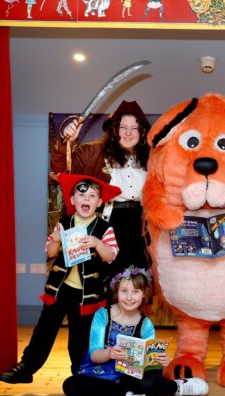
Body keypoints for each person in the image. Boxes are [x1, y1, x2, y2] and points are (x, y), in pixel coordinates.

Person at [0, 174, 122, 384]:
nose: (87, 199)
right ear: (72, 200)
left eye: (92, 196)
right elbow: (51, 253)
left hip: (86, 294)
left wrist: (96, 243)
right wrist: (55, 240)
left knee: (81, 337)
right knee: (44, 329)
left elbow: (111, 256)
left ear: (99, 203)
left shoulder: (104, 228)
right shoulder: (63, 224)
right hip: (59, 288)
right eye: (82, 195)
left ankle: (81, 373)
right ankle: (27, 367)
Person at [62, 267, 209, 396]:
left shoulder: (146, 325)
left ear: (143, 293)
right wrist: (109, 353)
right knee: (71, 385)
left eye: (135, 292)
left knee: (148, 383)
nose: (129, 297)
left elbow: (151, 365)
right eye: (124, 291)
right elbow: (94, 354)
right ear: (117, 291)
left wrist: (161, 360)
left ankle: (177, 387)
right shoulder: (103, 315)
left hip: (132, 375)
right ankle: (127, 395)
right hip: (102, 371)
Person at [54, 100, 152, 278]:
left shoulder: (152, 157)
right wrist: (67, 143)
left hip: (140, 227)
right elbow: (60, 173)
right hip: (106, 223)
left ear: (142, 131)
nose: (128, 133)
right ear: (115, 129)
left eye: (134, 128)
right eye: (123, 127)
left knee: (138, 282)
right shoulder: (92, 152)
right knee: (101, 281)